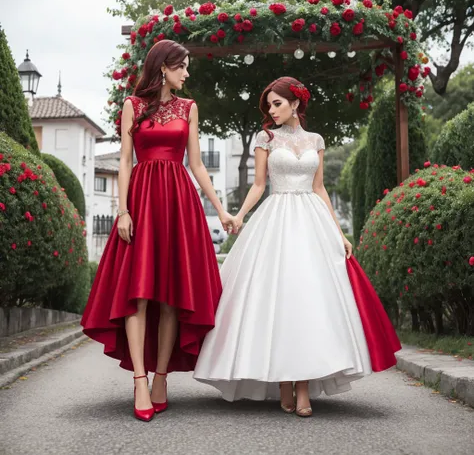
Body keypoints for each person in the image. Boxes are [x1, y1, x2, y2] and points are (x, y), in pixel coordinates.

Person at [194, 77, 401, 417]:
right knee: (276, 300)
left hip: (311, 221)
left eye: (277, 103)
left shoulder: (316, 140)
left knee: (307, 301)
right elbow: (259, 184)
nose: (271, 110)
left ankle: (302, 386)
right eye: (269, 105)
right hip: (275, 218)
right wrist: (239, 216)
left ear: (295, 103)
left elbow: (319, 188)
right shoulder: (265, 138)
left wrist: (339, 233)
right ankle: (282, 383)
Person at [81, 40, 234, 422]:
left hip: (178, 202)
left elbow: (197, 165)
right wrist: (123, 211)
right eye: (181, 67)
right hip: (142, 201)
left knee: (170, 295)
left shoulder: (189, 108)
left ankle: (161, 377)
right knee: (139, 292)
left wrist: (221, 209)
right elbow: (124, 163)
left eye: (187, 68)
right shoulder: (133, 105)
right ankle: (138, 379)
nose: (186, 74)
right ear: (162, 67)